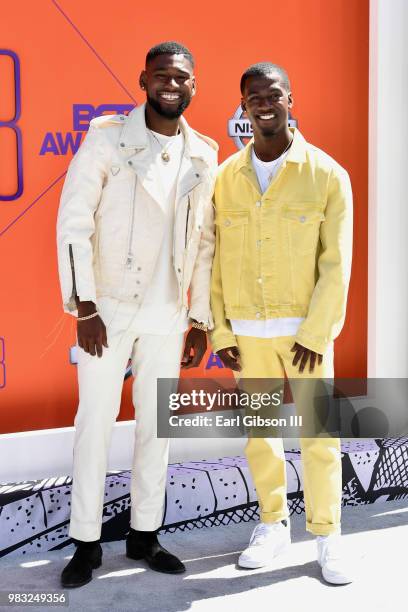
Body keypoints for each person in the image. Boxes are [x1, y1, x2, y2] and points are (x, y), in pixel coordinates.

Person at [56, 41, 217, 588]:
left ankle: (145, 535)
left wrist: (201, 319)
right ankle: (85, 542)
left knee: (156, 428)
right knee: (94, 424)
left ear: (194, 86)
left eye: (182, 77)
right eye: (161, 75)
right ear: (143, 79)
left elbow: (205, 243)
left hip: (170, 315)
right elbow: (74, 224)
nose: (171, 85)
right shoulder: (106, 140)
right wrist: (85, 307)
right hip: (108, 311)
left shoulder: (204, 153)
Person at [210, 62, 353, 584]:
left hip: (305, 338)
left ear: (290, 98)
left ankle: (328, 535)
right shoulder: (227, 177)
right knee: (261, 435)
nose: (263, 104)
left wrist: (315, 333)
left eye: (273, 95)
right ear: (243, 106)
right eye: (253, 97)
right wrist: (222, 332)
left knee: (319, 435)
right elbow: (216, 261)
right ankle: (273, 525)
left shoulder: (327, 175)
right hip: (248, 335)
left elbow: (336, 264)